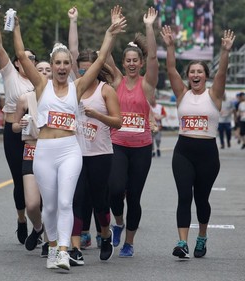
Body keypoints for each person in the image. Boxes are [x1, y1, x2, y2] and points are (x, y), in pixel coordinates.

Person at [13, 7, 126, 270]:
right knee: (49, 207)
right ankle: (53, 246)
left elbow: (99, 62)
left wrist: (109, 34)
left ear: (71, 67)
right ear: (51, 67)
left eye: (66, 63)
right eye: (58, 63)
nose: (62, 67)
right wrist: (16, 27)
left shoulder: (77, 87)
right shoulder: (42, 87)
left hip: (69, 150)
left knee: (65, 202)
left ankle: (64, 251)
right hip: (44, 151)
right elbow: (20, 54)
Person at [161, 26, 235, 258]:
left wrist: (225, 52)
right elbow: (171, 68)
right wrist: (170, 46)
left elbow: (222, 73)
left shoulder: (213, 95)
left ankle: (202, 237)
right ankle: (182, 243)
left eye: (199, 72)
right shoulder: (182, 94)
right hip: (183, 152)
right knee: (184, 197)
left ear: (205, 76)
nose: (195, 75)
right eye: (192, 72)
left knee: (202, 199)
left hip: (207, 154)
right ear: (188, 76)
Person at [67, 6, 121, 265]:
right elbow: (71, 49)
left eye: (89, 69)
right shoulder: (72, 90)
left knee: (100, 200)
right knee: (77, 199)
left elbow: (118, 122)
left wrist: (96, 116)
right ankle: (75, 247)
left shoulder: (105, 90)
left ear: (96, 70)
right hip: (75, 154)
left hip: (100, 154)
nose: (84, 73)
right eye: (81, 69)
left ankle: (105, 234)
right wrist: (73, 22)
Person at [106, 7, 159, 258]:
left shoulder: (147, 85)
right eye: (127, 60)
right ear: (124, 62)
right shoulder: (116, 81)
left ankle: (129, 242)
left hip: (141, 147)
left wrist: (149, 27)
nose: (130, 64)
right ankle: (118, 222)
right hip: (117, 143)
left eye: (135, 61)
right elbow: (104, 56)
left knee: (134, 197)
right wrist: (113, 30)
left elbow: (154, 60)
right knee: (115, 190)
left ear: (139, 62)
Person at [0, 6, 38, 244]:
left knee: (39, 178)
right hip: (13, 132)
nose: (26, 61)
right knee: (19, 179)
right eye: (23, 58)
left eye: (32, 59)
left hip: (37, 135)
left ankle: (39, 224)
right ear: (17, 62)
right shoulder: (10, 74)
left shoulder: (41, 81)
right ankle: (22, 219)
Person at [11, 61, 53, 256]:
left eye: (48, 70)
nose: (44, 73)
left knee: (49, 201)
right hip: (31, 150)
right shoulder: (25, 98)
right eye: (40, 70)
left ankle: (48, 242)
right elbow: (13, 125)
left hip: (52, 150)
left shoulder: (60, 97)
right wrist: (20, 124)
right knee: (32, 204)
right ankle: (38, 229)